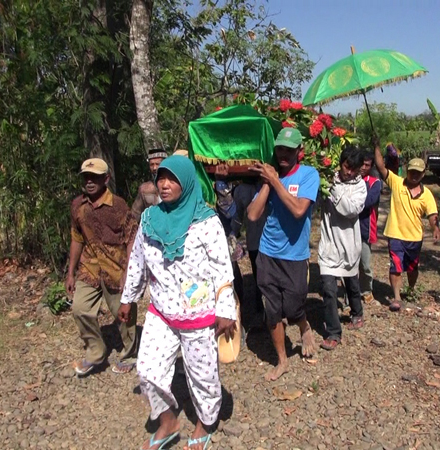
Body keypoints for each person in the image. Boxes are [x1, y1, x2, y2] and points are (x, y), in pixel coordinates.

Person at [118, 155, 236, 450]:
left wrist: (225, 311)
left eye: (172, 179)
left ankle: (204, 423)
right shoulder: (150, 218)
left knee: (202, 375)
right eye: (161, 178)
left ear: (186, 181)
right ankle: (168, 421)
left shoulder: (206, 222)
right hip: (161, 312)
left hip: (199, 315)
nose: (165, 185)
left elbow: (223, 268)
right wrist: (128, 299)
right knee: (147, 369)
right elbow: (137, 261)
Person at [248, 128, 319, 381]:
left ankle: (303, 325)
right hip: (268, 252)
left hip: (295, 255)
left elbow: (299, 210)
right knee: (273, 310)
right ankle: (282, 360)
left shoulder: (309, 175)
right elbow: (253, 215)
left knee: (293, 305)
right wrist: (268, 183)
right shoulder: (271, 178)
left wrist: (276, 181)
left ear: (300, 151)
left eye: (289, 150)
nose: (283, 154)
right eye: (280, 149)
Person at [66, 158, 138, 376]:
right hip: (90, 266)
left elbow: (131, 238)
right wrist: (70, 273)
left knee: (123, 313)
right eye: (86, 177)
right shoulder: (78, 206)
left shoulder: (118, 206)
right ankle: (95, 352)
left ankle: (129, 353)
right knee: (80, 309)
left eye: (95, 177)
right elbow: (76, 238)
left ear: (105, 179)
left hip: (115, 265)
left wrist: (130, 271)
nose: (89, 182)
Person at [373, 137, 440, 311]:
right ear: (407, 171)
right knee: (396, 266)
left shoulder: (427, 195)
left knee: (412, 268)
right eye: (412, 172)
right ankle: (396, 298)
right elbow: (381, 167)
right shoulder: (397, 183)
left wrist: (435, 228)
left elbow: (432, 215)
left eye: (418, 173)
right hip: (395, 234)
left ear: (423, 174)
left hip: (415, 237)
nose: (414, 175)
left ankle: (410, 290)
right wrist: (377, 146)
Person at [318, 147, 368, 351]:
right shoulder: (327, 179)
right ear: (341, 163)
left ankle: (357, 311)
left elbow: (350, 210)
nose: (349, 172)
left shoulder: (360, 187)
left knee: (351, 284)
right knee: (329, 290)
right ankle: (333, 332)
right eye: (347, 167)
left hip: (349, 245)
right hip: (329, 245)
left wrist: (334, 190)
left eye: (353, 169)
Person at [232, 177, 267, 330]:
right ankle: (261, 311)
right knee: (258, 276)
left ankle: (272, 311)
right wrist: (233, 234)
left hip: (272, 240)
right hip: (255, 240)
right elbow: (237, 215)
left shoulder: (272, 184)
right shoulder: (241, 191)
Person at [358, 151, 383, 304]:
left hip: (365, 229)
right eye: (362, 163)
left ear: (371, 166)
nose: (363, 167)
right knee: (349, 265)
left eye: (367, 165)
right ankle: (350, 294)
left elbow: (368, 202)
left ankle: (366, 290)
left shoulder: (375, 183)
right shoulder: (350, 179)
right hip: (348, 229)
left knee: (365, 264)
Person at [130, 148, 167, 225]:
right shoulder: (145, 189)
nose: (154, 168)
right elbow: (134, 216)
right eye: (151, 165)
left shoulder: (174, 186)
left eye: (157, 164)